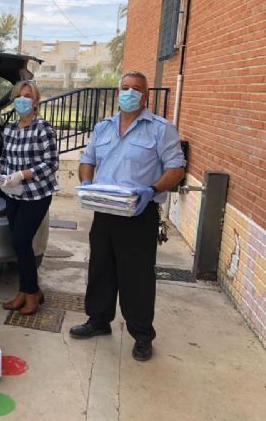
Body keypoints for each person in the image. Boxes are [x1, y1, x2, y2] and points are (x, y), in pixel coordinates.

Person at [69, 71, 186, 362]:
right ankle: (98, 321)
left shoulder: (161, 129)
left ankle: (142, 335)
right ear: (118, 92)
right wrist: (86, 183)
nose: (130, 92)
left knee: (137, 277)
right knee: (100, 269)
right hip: (104, 211)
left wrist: (152, 189)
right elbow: (88, 160)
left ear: (146, 96)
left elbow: (176, 168)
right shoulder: (103, 127)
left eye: (136, 89)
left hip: (138, 213)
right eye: (125, 88)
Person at [0, 80, 59, 316]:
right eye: (19, 96)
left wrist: (23, 174)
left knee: (21, 241)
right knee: (19, 245)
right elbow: (4, 157)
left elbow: (51, 164)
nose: (22, 100)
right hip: (14, 193)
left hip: (37, 194)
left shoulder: (43, 128)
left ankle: (32, 294)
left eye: (27, 96)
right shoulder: (10, 128)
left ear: (36, 101)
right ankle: (25, 291)